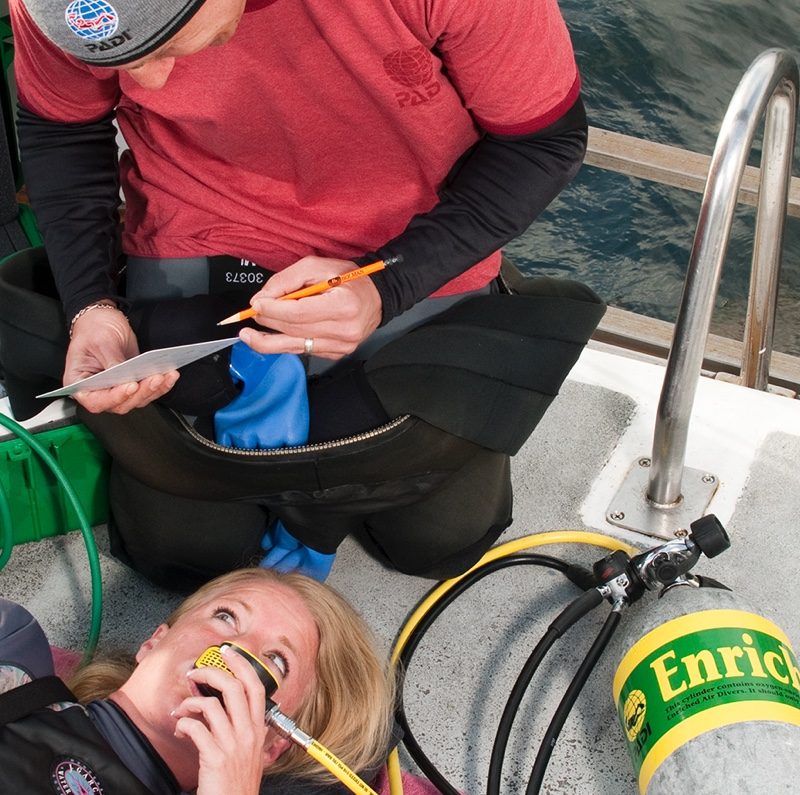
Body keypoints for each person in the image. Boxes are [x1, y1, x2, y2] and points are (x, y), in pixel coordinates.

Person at [3, 0, 602, 584]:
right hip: (195, 217)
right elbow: (62, 130)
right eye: (114, 59)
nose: (146, 81)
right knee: (182, 558)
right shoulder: (56, 6)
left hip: (407, 233)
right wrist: (92, 306)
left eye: (160, 43)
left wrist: (388, 282)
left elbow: (544, 143)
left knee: (443, 543)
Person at [0, 567, 396, 794]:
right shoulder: (15, 657)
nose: (235, 651)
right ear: (154, 641)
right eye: (226, 616)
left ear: (272, 743)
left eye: (276, 661)